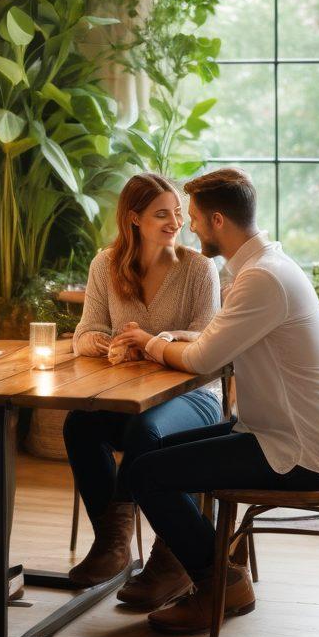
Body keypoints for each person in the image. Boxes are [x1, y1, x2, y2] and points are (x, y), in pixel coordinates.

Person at [112, 167, 319, 634]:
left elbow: (205, 359)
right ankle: (180, 566)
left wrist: (149, 342)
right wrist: (181, 338)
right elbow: (222, 340)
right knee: (152, 453)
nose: (192, 227)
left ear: (219, 220)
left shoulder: (261, 278)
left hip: (299, 450)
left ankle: (218, 582)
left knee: (145, 473)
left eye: (197, 219)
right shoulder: (268, 267)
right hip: (284, 432)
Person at [63, 172, 222, 609]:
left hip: (197, 398)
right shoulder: (105, 264)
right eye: (161, 214)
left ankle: (169, 560)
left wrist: (151, 342)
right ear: (133, 219)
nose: (175, 222)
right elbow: (85, 333)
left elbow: (207, 339)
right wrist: (109, 343)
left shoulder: (199, 268)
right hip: (131, 396)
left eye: (177, 213)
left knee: (145, 432)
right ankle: (113, 542)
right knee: (80, 425)